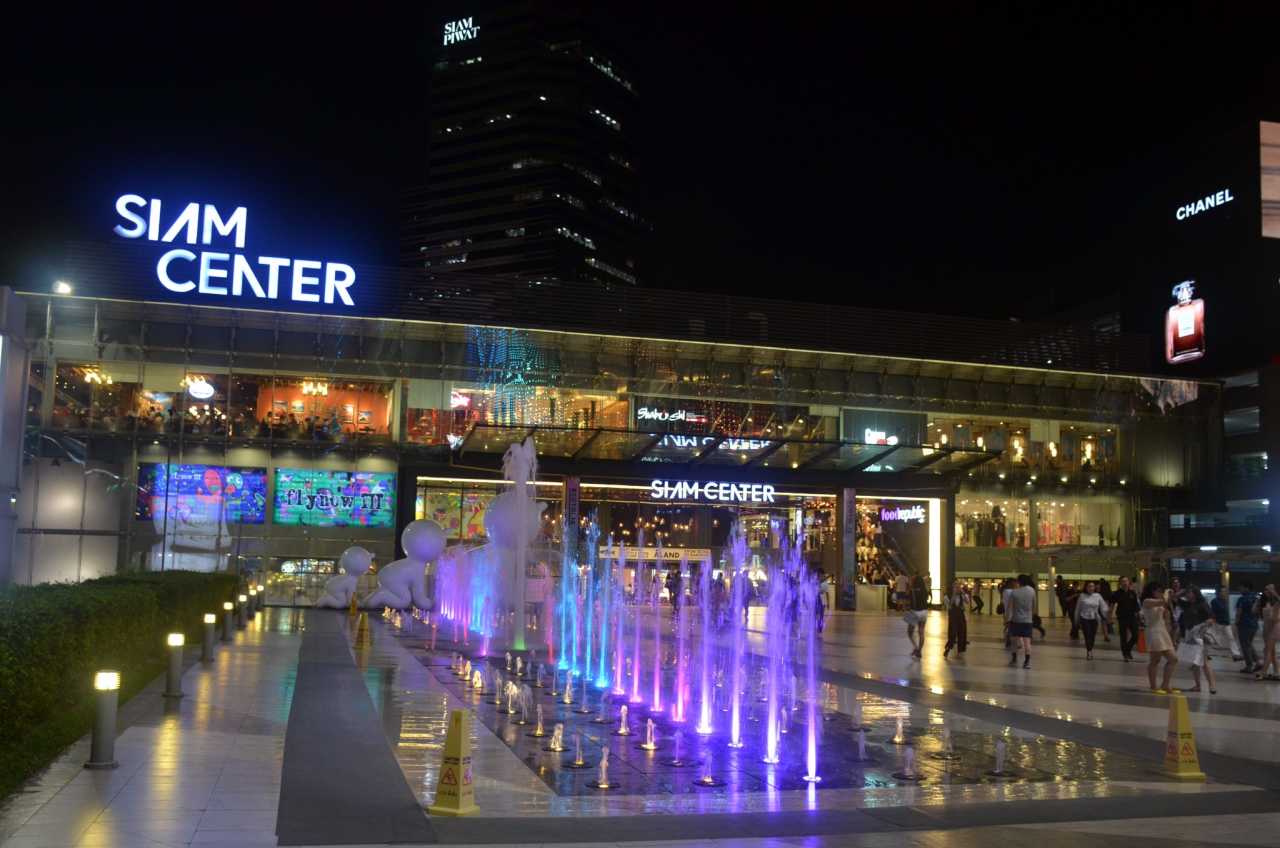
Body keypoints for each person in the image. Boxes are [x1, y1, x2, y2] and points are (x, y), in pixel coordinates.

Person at [1141, 582, 1178, 693]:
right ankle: (1153, 686)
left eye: (1161, 591)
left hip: (1162, 631)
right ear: (1152, 591)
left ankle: (1165, 684)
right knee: (1155, 660)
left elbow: (1166, 616)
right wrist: (1166, 593)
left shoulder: (1160, 602)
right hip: (1153, 632)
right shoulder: (1147, 601)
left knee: (1173, 659)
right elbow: (1163, 601)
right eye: (1158, 591)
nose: (1160, 593)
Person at [1179, 589, 1217, 695]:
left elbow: (1212, 618)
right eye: (1187, 593)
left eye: (1189, 592)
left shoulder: (1202, 604)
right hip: (1190, 634)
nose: (1187, 594)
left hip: (1200, 635)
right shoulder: (1186, 604)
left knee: (1204, 661)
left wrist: (1205, 624)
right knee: (1195, 661)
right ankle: (1198, 685)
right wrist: (1182, 592)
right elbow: (1174, 598)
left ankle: (1212, 685)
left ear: (1195, 593)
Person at [1006, 574, 1036, 668]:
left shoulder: (1014, 592)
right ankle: (1027, 662)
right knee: (1027, 642)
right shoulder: (1032, 590)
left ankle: (1014, 659)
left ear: (1019, 581)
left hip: (1016, 620)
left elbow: (1009, 608)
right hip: (1028, 621)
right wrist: (1031, 616)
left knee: (1014, 641)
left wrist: (1007, 619)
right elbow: (1034, 605)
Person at [1074, 581, 1108, 660]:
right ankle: (1089, 651)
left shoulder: (1098, 596)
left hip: (1094, 618)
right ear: (1086, 587)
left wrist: (1105, 615)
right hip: (1084, 618)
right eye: (1089, 586)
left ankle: (1090, 649)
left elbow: (1103, 606)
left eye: (1092, 586)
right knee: (1087, 635)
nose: (1091, 588)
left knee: (1092, 636)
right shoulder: (1082, 596)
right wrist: (1076, 619)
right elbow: (1078, 608)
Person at [1113, 576, 1141, 662]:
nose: (1125, 583)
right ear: (1120, 583)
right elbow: (1112, 604)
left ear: (1129, 582)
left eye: (1126, 581)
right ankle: (1125, 654)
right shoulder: (1117, 593)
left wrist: (1138, 614)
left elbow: (1136, 605)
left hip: (1132, 617)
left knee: (1136, 635)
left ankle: (1127, 649)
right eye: (1123, 581)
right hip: (1122, 617)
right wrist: (1109, 616)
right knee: (1123, 636)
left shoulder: (1132, 593)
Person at [1236, 581, 1261, 675]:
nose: (1239, 589)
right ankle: (1258, 662)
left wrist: (1236, 622)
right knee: (1249, 644)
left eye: (1241, 587)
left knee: (1245, 646)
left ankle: (1249, 666)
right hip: (1254, 625)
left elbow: (1239, 612)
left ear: (1247, 588)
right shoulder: (1256, 598)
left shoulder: (1242, 599)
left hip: (1244, 625)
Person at [1258, 584, 1280, 681]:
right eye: (1266, 589)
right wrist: (1258, 602)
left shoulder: (1277, 602)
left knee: (1268, 651)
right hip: (1266, 628)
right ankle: (1276, 672)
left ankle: (1263, 672)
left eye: (1269, 589)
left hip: (1275, 628)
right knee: (1272, 652)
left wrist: (1274, 593)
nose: (1266, 591)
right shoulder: (1264, 602)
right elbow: (1253, 611)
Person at [905, 575, 929, 659]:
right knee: (921, 632)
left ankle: (915, 647)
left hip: (914, 612)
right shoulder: (924, 590)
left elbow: (907, 598)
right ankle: (919, 650)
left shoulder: (912, 590)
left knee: (909, 632)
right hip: (924, 612)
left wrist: (909, 586)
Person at [943, 579, 968, 658]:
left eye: (958, 585)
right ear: (952, 587)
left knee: (962, 633)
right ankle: (948, 648)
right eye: (955, 585)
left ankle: (960, 650)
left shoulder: (962, 595)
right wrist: (954, 594)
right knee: (952, 633)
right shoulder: (947, 596)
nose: (957, 587)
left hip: (961, 616)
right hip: (953, 617)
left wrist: (963, 593)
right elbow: (949, 606)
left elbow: (967, 602)